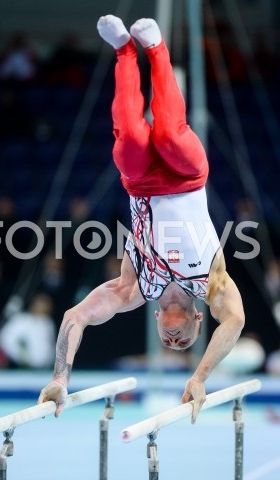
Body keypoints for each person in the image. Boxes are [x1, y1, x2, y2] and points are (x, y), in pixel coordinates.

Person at [38, 16, 245, 423]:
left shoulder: (134, 288)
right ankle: (156, 49)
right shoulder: (212, 283)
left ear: (154, 319)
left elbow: (74, 316)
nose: (173, 341)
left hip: (141, 184)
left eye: (170, 343)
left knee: (130, 139)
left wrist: (60, 377)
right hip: (188, 177)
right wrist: (200, 377)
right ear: (198, 321)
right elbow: (235, 321)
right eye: (184, 342)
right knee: (169, 133)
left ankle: (124, 51)